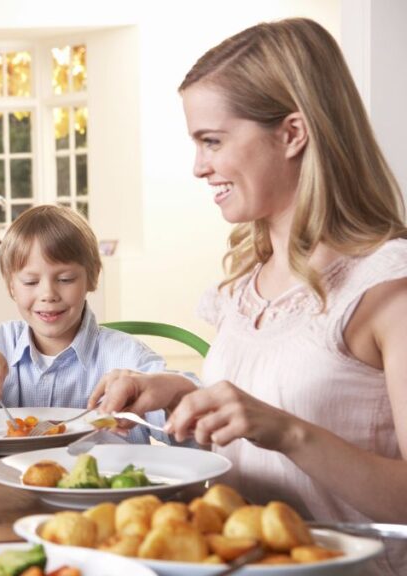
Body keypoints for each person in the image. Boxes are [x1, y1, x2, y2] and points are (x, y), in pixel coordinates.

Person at [91, 18, 407, 574]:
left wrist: (286, 431)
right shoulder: (246, 283)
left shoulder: (387, 285)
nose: (198, 167)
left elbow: (281, 422)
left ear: (292, 133)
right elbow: (255, 411)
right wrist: (175, 393)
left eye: (212, 141)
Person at [0, 204, 195, 444]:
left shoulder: (127, 358)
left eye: (65, 279)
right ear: (11, 287)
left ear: (92, 278)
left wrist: (167, 391)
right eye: (30, 282)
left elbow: (192, 433)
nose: (48, 294)